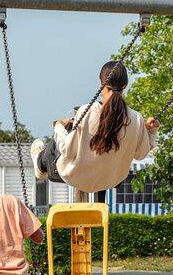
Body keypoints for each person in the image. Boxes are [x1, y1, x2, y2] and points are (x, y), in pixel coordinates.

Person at [30, 60, 160, 194]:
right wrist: (151, 132)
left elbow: (67, 150)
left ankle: (40, 163)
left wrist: (58, 126)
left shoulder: (87, 111)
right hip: (111, 180)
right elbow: (141, 154)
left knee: (63, 133)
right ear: (125, 85)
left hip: (77, 177)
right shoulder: (136, 119)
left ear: (101, 82)